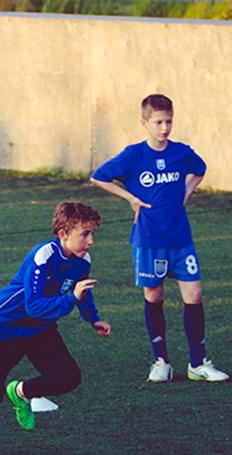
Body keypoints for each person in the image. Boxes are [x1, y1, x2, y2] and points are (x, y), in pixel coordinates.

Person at [0, 202, 111, 455]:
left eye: (93, 233)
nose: (91, 241)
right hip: (5, 328)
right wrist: (72, 299)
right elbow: (35, 305)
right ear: (63, 233)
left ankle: (20, 392)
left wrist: (93, 319)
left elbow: (81, 290)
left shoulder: (82, 260)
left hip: (39, 329)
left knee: (68, 377)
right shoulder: (43, 256)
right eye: (85, 234)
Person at [91, 94, 225, 383]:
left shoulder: (181, 152)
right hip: (149, 239)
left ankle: (198, 364)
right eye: (159, 122)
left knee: (194, 295)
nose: (165, 128)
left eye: (169, 121)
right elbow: (98, 177)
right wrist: (131, 198)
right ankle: (161, 361)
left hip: (181, 239)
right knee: (154, 295)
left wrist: (185, 193)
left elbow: (199, 170)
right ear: (144, 122)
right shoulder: (133, 155)